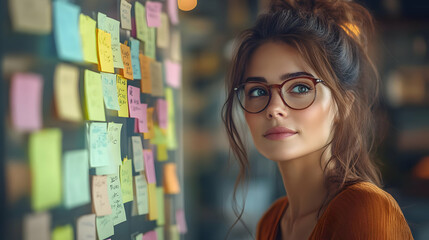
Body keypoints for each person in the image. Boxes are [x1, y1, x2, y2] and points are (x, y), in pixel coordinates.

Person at [221, 0, 414, 239]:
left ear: (344, 105)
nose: (274, 108)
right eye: (258, 91)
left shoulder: (365, 208)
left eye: (300, 88)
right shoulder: (272, 221)